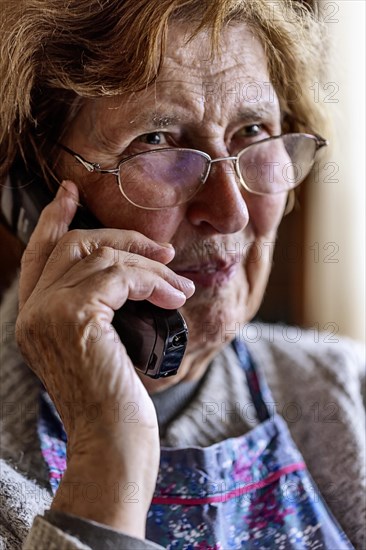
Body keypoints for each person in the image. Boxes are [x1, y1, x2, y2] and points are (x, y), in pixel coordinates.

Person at [0, 0, 365, 549]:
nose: (232, 211)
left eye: (252, 130)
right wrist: (106, 456)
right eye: (157, 140)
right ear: (32, 193)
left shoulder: (346, 395)